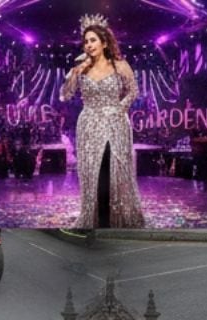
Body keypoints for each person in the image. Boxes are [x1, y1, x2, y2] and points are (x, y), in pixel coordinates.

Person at [59, 16, 145, 228]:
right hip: (89, 124)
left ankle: (115, 218)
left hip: (116, 123)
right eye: (86, 41)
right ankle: (94, 216)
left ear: (104, 42)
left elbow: (133, 91)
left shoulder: (120, 65)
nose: (88, 45)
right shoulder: (82, 69)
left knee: (112, 171)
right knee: (92, 174)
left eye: (93, 40)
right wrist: (74, 73)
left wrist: (119, 108)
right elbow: (65, 95)